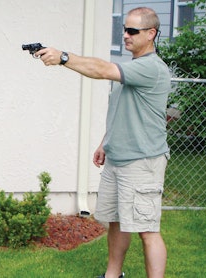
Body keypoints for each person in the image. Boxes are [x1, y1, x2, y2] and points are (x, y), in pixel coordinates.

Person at [36, 7, 170, 278]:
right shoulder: (132, 67)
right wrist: (104, 142)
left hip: (142, 161)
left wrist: (63, 58)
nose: (125, 35)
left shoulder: (151, 68)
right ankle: (113, 275)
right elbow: (124, 111)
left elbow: (100, 69)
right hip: (118, 158)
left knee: (147, 229)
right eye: (124, 29)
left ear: (151, 34)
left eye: (132, 31)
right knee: (116, 222)